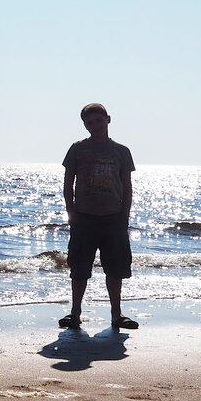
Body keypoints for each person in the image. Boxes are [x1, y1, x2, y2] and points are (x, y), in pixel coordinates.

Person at [60, 103, 137, 330]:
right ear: (85, 125)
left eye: (98, 120)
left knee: (116, 268)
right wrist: (71, 210)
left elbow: (127, 185)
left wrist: (125, 215)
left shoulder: (121, 151)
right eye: (89, 122)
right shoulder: (77, 149)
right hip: (84, 217)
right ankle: (75, 313)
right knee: (79, 268)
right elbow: (68, 182)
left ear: (108, 120)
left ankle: (117, 314)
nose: (94, 125)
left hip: (113, 217)